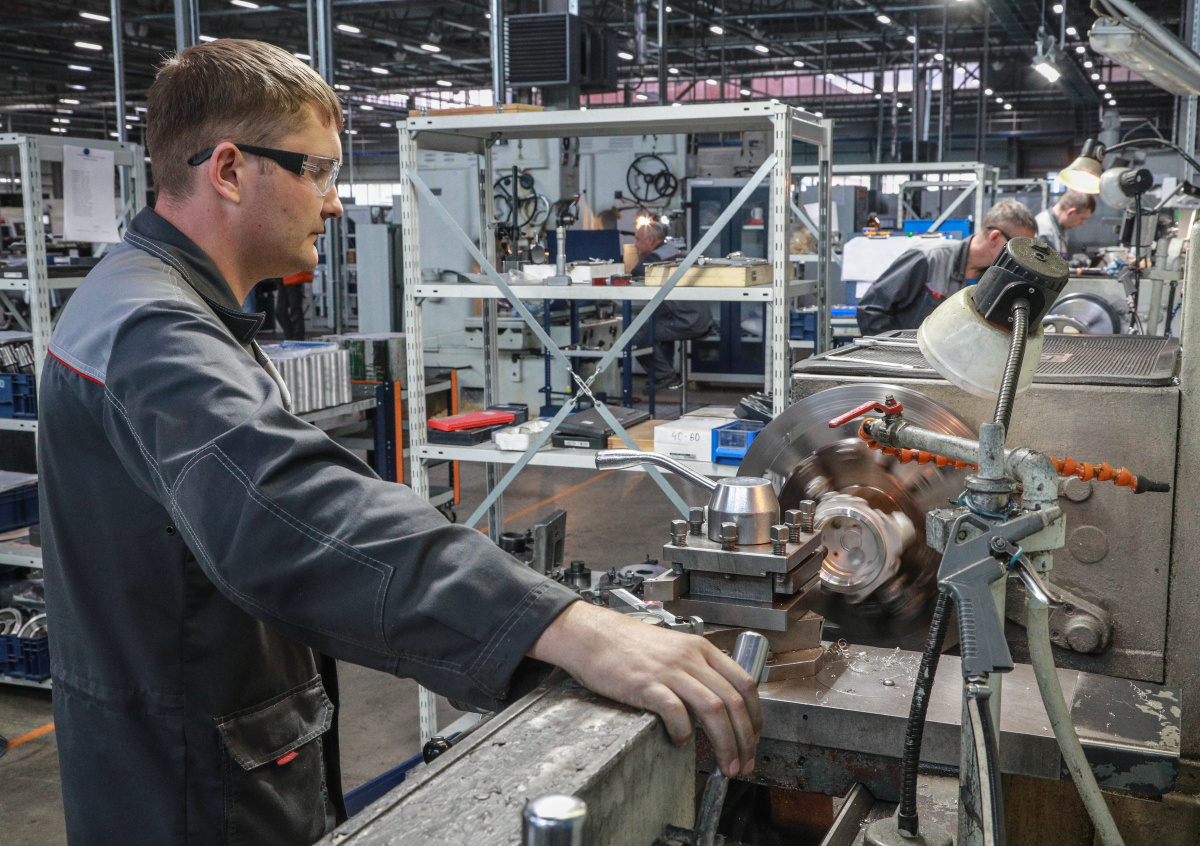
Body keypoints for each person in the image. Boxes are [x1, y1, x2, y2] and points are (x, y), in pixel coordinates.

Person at [39, 41, 761, 846]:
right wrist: (563, 625)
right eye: (318, 171)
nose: (335, 203)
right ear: (231, 170)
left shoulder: (161, 303)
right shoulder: (153, 331)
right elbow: (292, 512)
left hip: (201, 748)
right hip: (185, 791)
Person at [856, 199, 1038, 335]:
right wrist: (894, 353)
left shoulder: (997, 281)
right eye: (1019, 249)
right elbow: (871, 309)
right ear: (995, 237)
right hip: (907, 364)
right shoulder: (929, 258)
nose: (1022, 259)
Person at [631, 220, 714, 387]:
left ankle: (664, 375)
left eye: (638, 239)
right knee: (655, 324)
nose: (636, 245)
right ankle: (663, 374)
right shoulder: (674, 251)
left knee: (636, 334)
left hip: (688, 321)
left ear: (650, 240)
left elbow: (636, 273)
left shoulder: (656, 258)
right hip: (699, 318)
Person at [1035, 189, 1095, 255]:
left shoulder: (1060, 227)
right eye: (1082, 218)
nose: (1082, 223)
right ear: (1071, 212)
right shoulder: (1045, 232)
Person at [278, 270, 311, 339]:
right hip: (285, 276)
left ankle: (296, 337)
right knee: (282, 311)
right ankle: (294, 336)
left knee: (294, 309)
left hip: (291, 276)